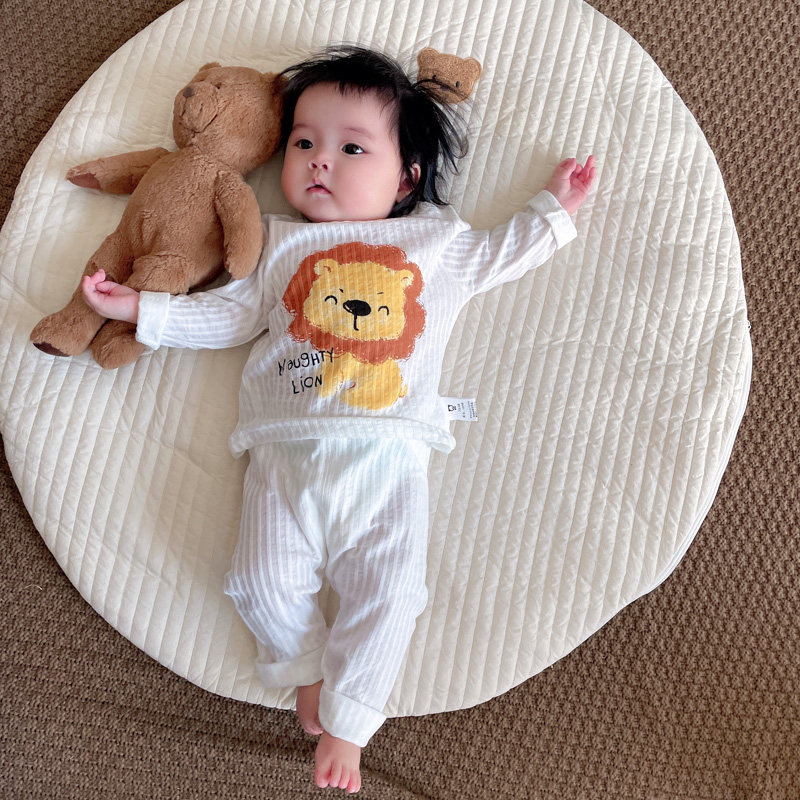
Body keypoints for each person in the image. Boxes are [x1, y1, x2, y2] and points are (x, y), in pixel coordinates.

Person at [81, 45, 596, 794]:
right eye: (303, 142)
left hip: (389, 460)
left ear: (406, 178)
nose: (320, 160)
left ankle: (351, 721)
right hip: (282, 455)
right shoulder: (277, 244)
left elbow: (502, 254)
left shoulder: (436, 244)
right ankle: (303, 667)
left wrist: (553, 209)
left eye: (352, 148)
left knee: (391, 593)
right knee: (256, 579)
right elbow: (227, 316)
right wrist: (146, 310)